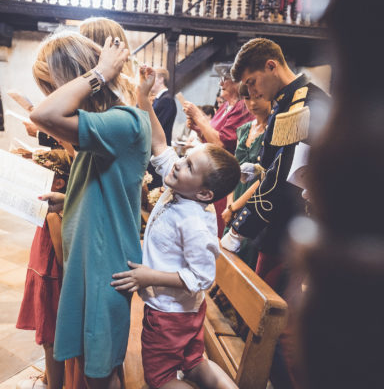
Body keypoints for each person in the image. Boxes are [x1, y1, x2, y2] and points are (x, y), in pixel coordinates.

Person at [29, 31, 151, 389]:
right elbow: (108, 188)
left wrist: (100, 72)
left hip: (104, 268)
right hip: (87, 264)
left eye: (54, 86)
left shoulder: (124, 121)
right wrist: (69, 201)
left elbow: (44, 115)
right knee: (88, 366)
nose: (53, 96)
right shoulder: (105, 125)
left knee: (100, 376)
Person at [111, 66, 239, 389]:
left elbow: (200, 277)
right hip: (185, 315)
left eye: (189, 165)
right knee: (195, 363)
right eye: (184, 157)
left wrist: (147, 276)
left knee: (161, 378)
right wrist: (144, 98)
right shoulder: (182, 187)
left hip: (170, 314)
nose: (179, 163)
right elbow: (160, 144)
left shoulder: (195, 220)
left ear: (205, 193)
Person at [221, 38, 331, 388]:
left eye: (252, 83)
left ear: (271, 65)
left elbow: (287, 186)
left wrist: (239, 229)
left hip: (291, 231)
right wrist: (257, 168)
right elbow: (276, 166)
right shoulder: (287, 101)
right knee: (266, 323)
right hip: (280, 226)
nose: (252, 91)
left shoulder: (307, 104)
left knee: (279, 326)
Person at [16, 150, 73, 389]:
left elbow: (62, 258)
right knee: (47, 335)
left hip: (50, 278)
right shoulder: (50, 206)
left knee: (50, 339)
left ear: (58, 183)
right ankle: (49, 378)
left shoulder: (54, 213)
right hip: (41, 272)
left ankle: (54, 385)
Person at [183, 64, 253, 237]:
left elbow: (221, 143)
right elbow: (210, 137)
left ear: (237, 83)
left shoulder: (242, 107)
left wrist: (199, 116)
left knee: (217, 228)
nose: (221, 82)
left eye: (225, 78)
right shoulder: (226, 106)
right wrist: (199, 129)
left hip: (225, 173)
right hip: (212, 170)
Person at [221, 82, 271, 269]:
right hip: (234, 198)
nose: (252, 103)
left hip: (254, 200)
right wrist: (229, 204)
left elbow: (265, 178)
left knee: (246, 253)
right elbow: (234, 170)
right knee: (227, 252)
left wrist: (235, 207)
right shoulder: (244, 129)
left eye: (258, 96)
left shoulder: (273, 132)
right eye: (247, 97)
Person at [147, 67, 177, 189]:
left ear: (160, 79)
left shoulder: (167, 100)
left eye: (152, 78)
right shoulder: (158, 99)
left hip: (158, 148)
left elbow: (156, 126)